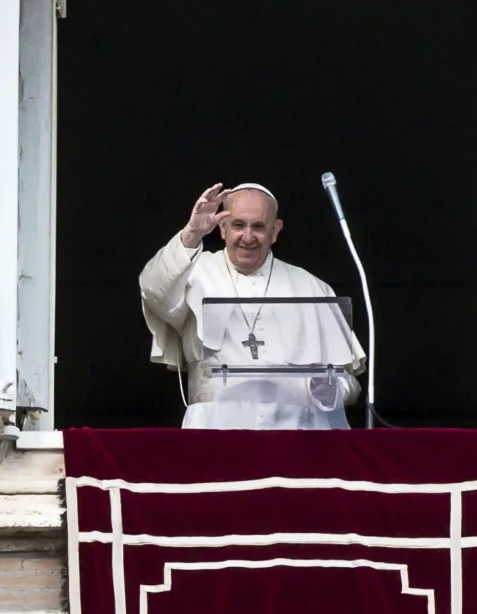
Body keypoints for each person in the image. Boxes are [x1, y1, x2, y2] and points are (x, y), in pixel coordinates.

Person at [140, 183, 366, 429]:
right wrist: (192, 233)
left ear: (275, 230)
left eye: (258, 226)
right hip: (214, 430)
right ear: (222, 228)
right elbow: (153, 291)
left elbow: (348, 384)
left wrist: (330, 390)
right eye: (238, 225)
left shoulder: (312, 287)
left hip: (296, 433)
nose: (248, 237)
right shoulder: (192, 274)